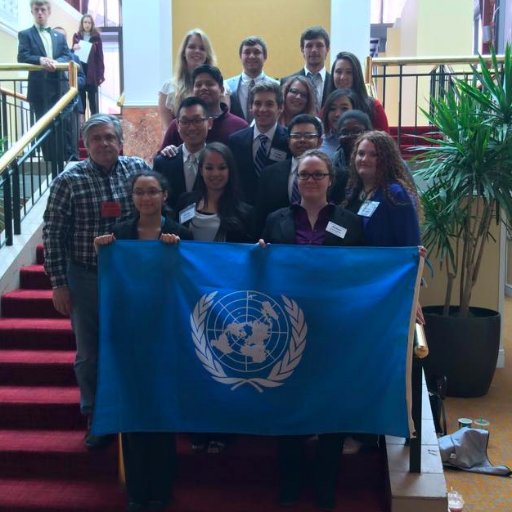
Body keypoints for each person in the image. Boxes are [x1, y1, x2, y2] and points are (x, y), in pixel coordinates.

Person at [260, 149, 364, 511]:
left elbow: (365, 269)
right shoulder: (276, 219)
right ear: (296, 180)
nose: (310, 181)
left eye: (318, 175)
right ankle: (289, 484)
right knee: (288, 402)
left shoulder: (350, 222)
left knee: (330, 406)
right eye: (304, 175)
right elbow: (262, 269)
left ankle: (324, 487)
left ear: (330, 181)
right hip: (288, 326)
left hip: (334, 325)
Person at [42, 114, 152, 449]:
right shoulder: (69, 179)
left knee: (134, 345)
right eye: (96, 139)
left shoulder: (137, 170)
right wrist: (59, 283)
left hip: (130, 279)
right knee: (89, 352)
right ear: (85, 145)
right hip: (86, 276)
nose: (103, 144)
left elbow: (157, 207)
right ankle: (96, 415)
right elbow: (53, 232)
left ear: (120, 141)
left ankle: (135, 410)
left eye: (109, 137)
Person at [94, 170, 191, 512]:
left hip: (167, 335)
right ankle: (136, 492)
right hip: (130, 335)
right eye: (140, 192)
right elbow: (112, 282)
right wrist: (102, 251)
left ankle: (161, 491)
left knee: (162, 414)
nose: (146, 198)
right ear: (131, 197)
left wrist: (179, 252)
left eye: (153, 192)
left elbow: (192, 279)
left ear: (165, 196)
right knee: (133, 412)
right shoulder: (119, 235)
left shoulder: (179, 233)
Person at [343, 130, 420, 247]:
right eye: (361, 153)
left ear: (386, 160)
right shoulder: (352, 191)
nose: (364, 159)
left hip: (386, 264)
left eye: (373, 155)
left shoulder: (395, 193)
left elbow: (409, 240)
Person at [17, 0, 72, 160]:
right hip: (39, 89)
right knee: (43, 126)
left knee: (62, 125)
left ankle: (62, 160)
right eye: (36, 9)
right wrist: (40, 60)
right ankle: (49, 161)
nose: (40, 12)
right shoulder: (25, 34)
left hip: (60, 88)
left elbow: (67, 55)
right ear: (32, 12)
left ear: (48, 12)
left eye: (43, 9)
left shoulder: (59, 36)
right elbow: (22, 56)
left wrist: (57, 62)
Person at [255, 113, 322, 234]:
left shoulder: (335, 175)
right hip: (278, 243)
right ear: (288, 141)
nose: (302, 140)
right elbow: (260, 215)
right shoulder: (269, 174)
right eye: (296, 136)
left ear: (319, 141)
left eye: (308, 136)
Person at [175, 142, 254, 244]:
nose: (216, 174)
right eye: (209, 168)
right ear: (201, 170)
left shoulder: (245, 213)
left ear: (230, 171)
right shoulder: (184, 201)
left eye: (222, 168)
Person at [228, 81, 290, 205]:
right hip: (243, 212)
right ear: (251, 108)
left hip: (277, 212)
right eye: (257, 103)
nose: (262, 109)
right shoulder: (235, 141)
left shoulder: (290, 140)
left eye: (269, 104)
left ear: (280, 108)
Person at [158, 29, 230, 132]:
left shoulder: (222, 86)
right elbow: (167, 129)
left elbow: (224, 123)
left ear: (207, 54)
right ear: (184, 52)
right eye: (192, 47)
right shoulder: (168, 88)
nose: (197, 51)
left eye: (202, 48)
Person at [160, 65, 247, 150]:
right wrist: (167, 151)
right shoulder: (180, 125)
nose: (203, 88)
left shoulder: (239, 127)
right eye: (198, 85)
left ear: (222, 90)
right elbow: (161, 160)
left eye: (209, 84)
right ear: (192, 91)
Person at [154, 97, 212, 210]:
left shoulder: (218, 161)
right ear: (177, 125)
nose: (191, 127)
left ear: (209, 123)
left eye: (197, 120)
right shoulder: (163, 162)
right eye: (185, 122)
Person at [329, 51, 389, 132]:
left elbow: (384, 142)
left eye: (349, 72)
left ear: (357, 75)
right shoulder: (326, 108)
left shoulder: (374, 107)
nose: (343, 77)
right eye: (338, 72)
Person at [226, 36, 279, 122]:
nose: (251, 56)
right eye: (247, 52)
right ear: (240, 56)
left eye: (257, 52)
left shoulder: (277, 86)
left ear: (265, 56)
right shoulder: (227, 86)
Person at [281, 26, 333, 111]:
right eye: (309, 46)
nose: (314, 50)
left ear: (327, 49)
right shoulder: (286, 83)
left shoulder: (335, 84)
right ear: (302, 50)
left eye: (319, 45)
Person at [54, 26, 86, 160]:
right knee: (57, 138)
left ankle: (74, 162)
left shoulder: (74, 58)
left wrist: (72, 83)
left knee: (73, 137)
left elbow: (83, 78)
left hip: (73, 104)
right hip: (55, 104)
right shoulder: (50, 59)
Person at [331, 109, 373, 202]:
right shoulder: (332, 163)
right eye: (345, 132)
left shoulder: (385, 161)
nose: (350, 136)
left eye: (357, 131)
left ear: (369, 132)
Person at [72, 14, 105, 115]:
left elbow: (100, 56)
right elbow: (72, 55)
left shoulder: (96, 37)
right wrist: (73, 48)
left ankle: (94, 125)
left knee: (93, 103)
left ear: (92, 24)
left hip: (92, 73)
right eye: (85, 22)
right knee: (81, 103)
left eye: (89, 22)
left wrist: (100, 74)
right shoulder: (76, 36)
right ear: (82, 24)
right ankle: (82, 127)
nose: (87, 24)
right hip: (81, 71)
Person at [319, 88, 359, 158]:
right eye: (332, 109)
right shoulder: (319, 142)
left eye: (344, 108)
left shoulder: (364, 141)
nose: (337, 114)